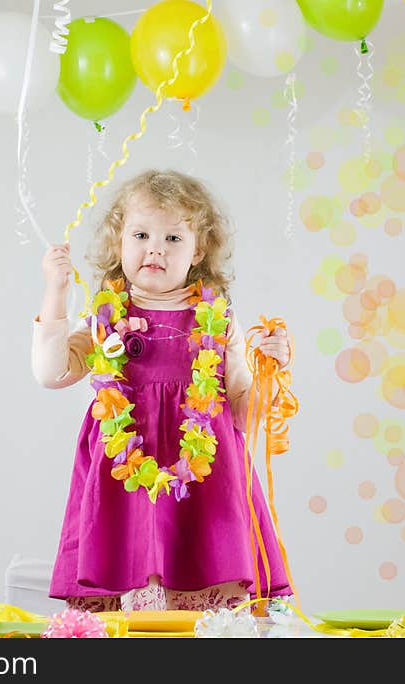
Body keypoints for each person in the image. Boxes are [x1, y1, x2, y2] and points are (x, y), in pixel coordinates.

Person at [32, 170, 293, 613]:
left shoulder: (218, 319)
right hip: (123, 479)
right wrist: (56, 294)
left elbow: (244, 414)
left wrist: (269, 371)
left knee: (200, 605)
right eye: (141, 234)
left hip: (205, 481)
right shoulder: (104, 316)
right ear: (119, 244)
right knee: (131, 596)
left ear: (199, 251)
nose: (155, 248)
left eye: (173, 238)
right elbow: (51, 373)